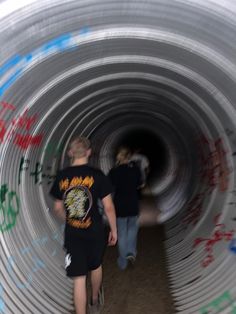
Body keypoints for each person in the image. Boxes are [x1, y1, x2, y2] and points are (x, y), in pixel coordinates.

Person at [49, 136, 117, 314]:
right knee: (95, 266)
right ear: (89, 152)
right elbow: (108, 207)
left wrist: (70, 220)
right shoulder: (97, 176)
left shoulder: (62, 176)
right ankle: (94, 300)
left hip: (73, 234)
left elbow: (57, 207)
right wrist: (114, 230)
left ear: (70, 153)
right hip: (95, 231)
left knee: (78, 278)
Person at [108, 147, 142, 270]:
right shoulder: (135, 170)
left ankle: (122, 262)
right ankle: (131, 252)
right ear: (129, 157)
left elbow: (109, 188)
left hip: (119, 205)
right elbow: (140, 184)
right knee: (133, 229)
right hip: (133, 203)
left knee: (121, 232)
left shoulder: (114, 171)